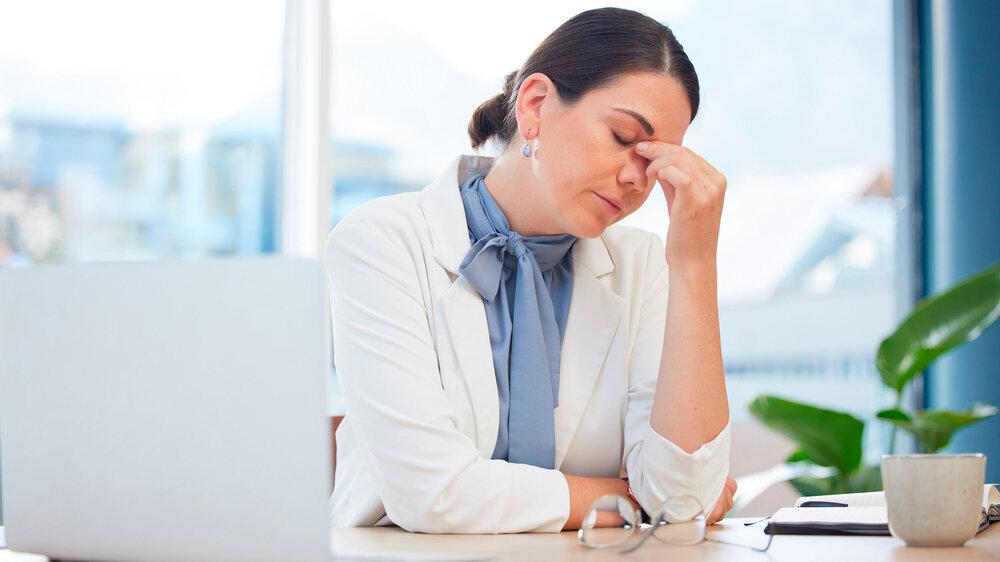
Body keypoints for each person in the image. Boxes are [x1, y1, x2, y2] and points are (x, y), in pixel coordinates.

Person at [326, 7, 736, 533]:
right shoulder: (382, 242)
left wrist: (695, 266)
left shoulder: (642, 265)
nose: (639, 178)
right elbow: (433, 494)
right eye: (622, 137)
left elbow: (682, 499)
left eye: (657, 161)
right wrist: (630, 499)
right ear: (536, 105)